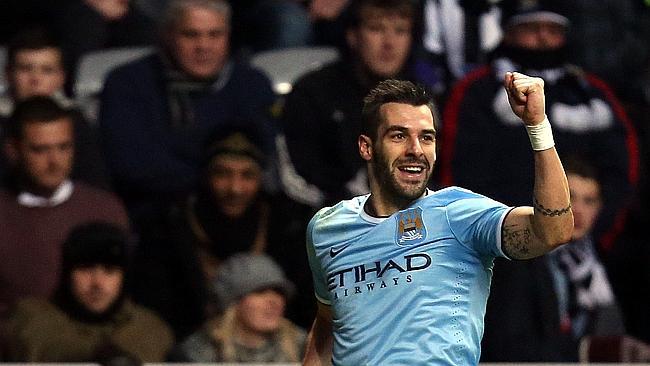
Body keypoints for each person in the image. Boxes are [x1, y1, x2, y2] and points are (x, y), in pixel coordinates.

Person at [303, 74, 573, 365]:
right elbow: (328, 323)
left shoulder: (459, 213)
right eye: (398, 135)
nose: (416, 150)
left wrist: (537, 127)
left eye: (426, 138)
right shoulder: (326, 228)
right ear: (366, 147)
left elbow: (553, 232)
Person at [438, 0, 638, 255]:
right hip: (507, 247)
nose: (543, 38)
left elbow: (622, 172)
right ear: (509, 32)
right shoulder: (478, 92)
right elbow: (461, 174)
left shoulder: (592, 93)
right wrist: (512, 236)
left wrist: (596, 236)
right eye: (532, 29)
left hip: (591, 250)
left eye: (553, 30)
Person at [98, 0, 276, 231]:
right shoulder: (127, 84)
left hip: (244, 217)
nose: (204, 46)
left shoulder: (253, 84)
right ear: (168, 35)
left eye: (215, 35)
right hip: (158, 219)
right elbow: (131, 166)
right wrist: (214, 180)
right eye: (191, 35)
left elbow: (264, 156)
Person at [129, 125, 315, 339]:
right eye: (223, 174)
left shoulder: (286, 227)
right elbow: (155, 309)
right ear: (206, 175)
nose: (235, 189)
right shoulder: (169, 227)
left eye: (247, 175)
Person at [481, 156, 650, 362]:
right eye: (569, 197)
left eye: (589, 201)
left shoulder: (603, 270)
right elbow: (508, 346)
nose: (578, 210)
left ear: (599, 209)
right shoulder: (519, 260)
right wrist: (584, 351)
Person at [279, 0, 423, 208]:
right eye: (376, 29)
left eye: (400, 31)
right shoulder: (312, 93)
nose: (389, 42)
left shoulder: (420, 100)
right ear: (352, 36)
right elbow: (299, 178)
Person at [0, 96, 129, 317]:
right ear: (13, 151)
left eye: (63, 147)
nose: (54, 161)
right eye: (40, 150)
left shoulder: (104, 210)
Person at [3, 222, 173, 363]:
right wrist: (99, 354)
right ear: (67, 273)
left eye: (109, 271)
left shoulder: (150, 328)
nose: (97, 283)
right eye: (85, 269)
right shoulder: (31, 317)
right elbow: (43, 345)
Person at [0, 28, 110, 188]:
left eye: (47, 70)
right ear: (8, 74)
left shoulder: (76, 122)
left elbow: (95, 183)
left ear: (61, 78)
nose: (35, 79)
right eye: (25, 69)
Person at [169, 253, 306, 363]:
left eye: (279, 292)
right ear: (233, 303)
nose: (274, 301)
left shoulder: (305, 347)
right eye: (260, 291)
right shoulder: (195, 356)